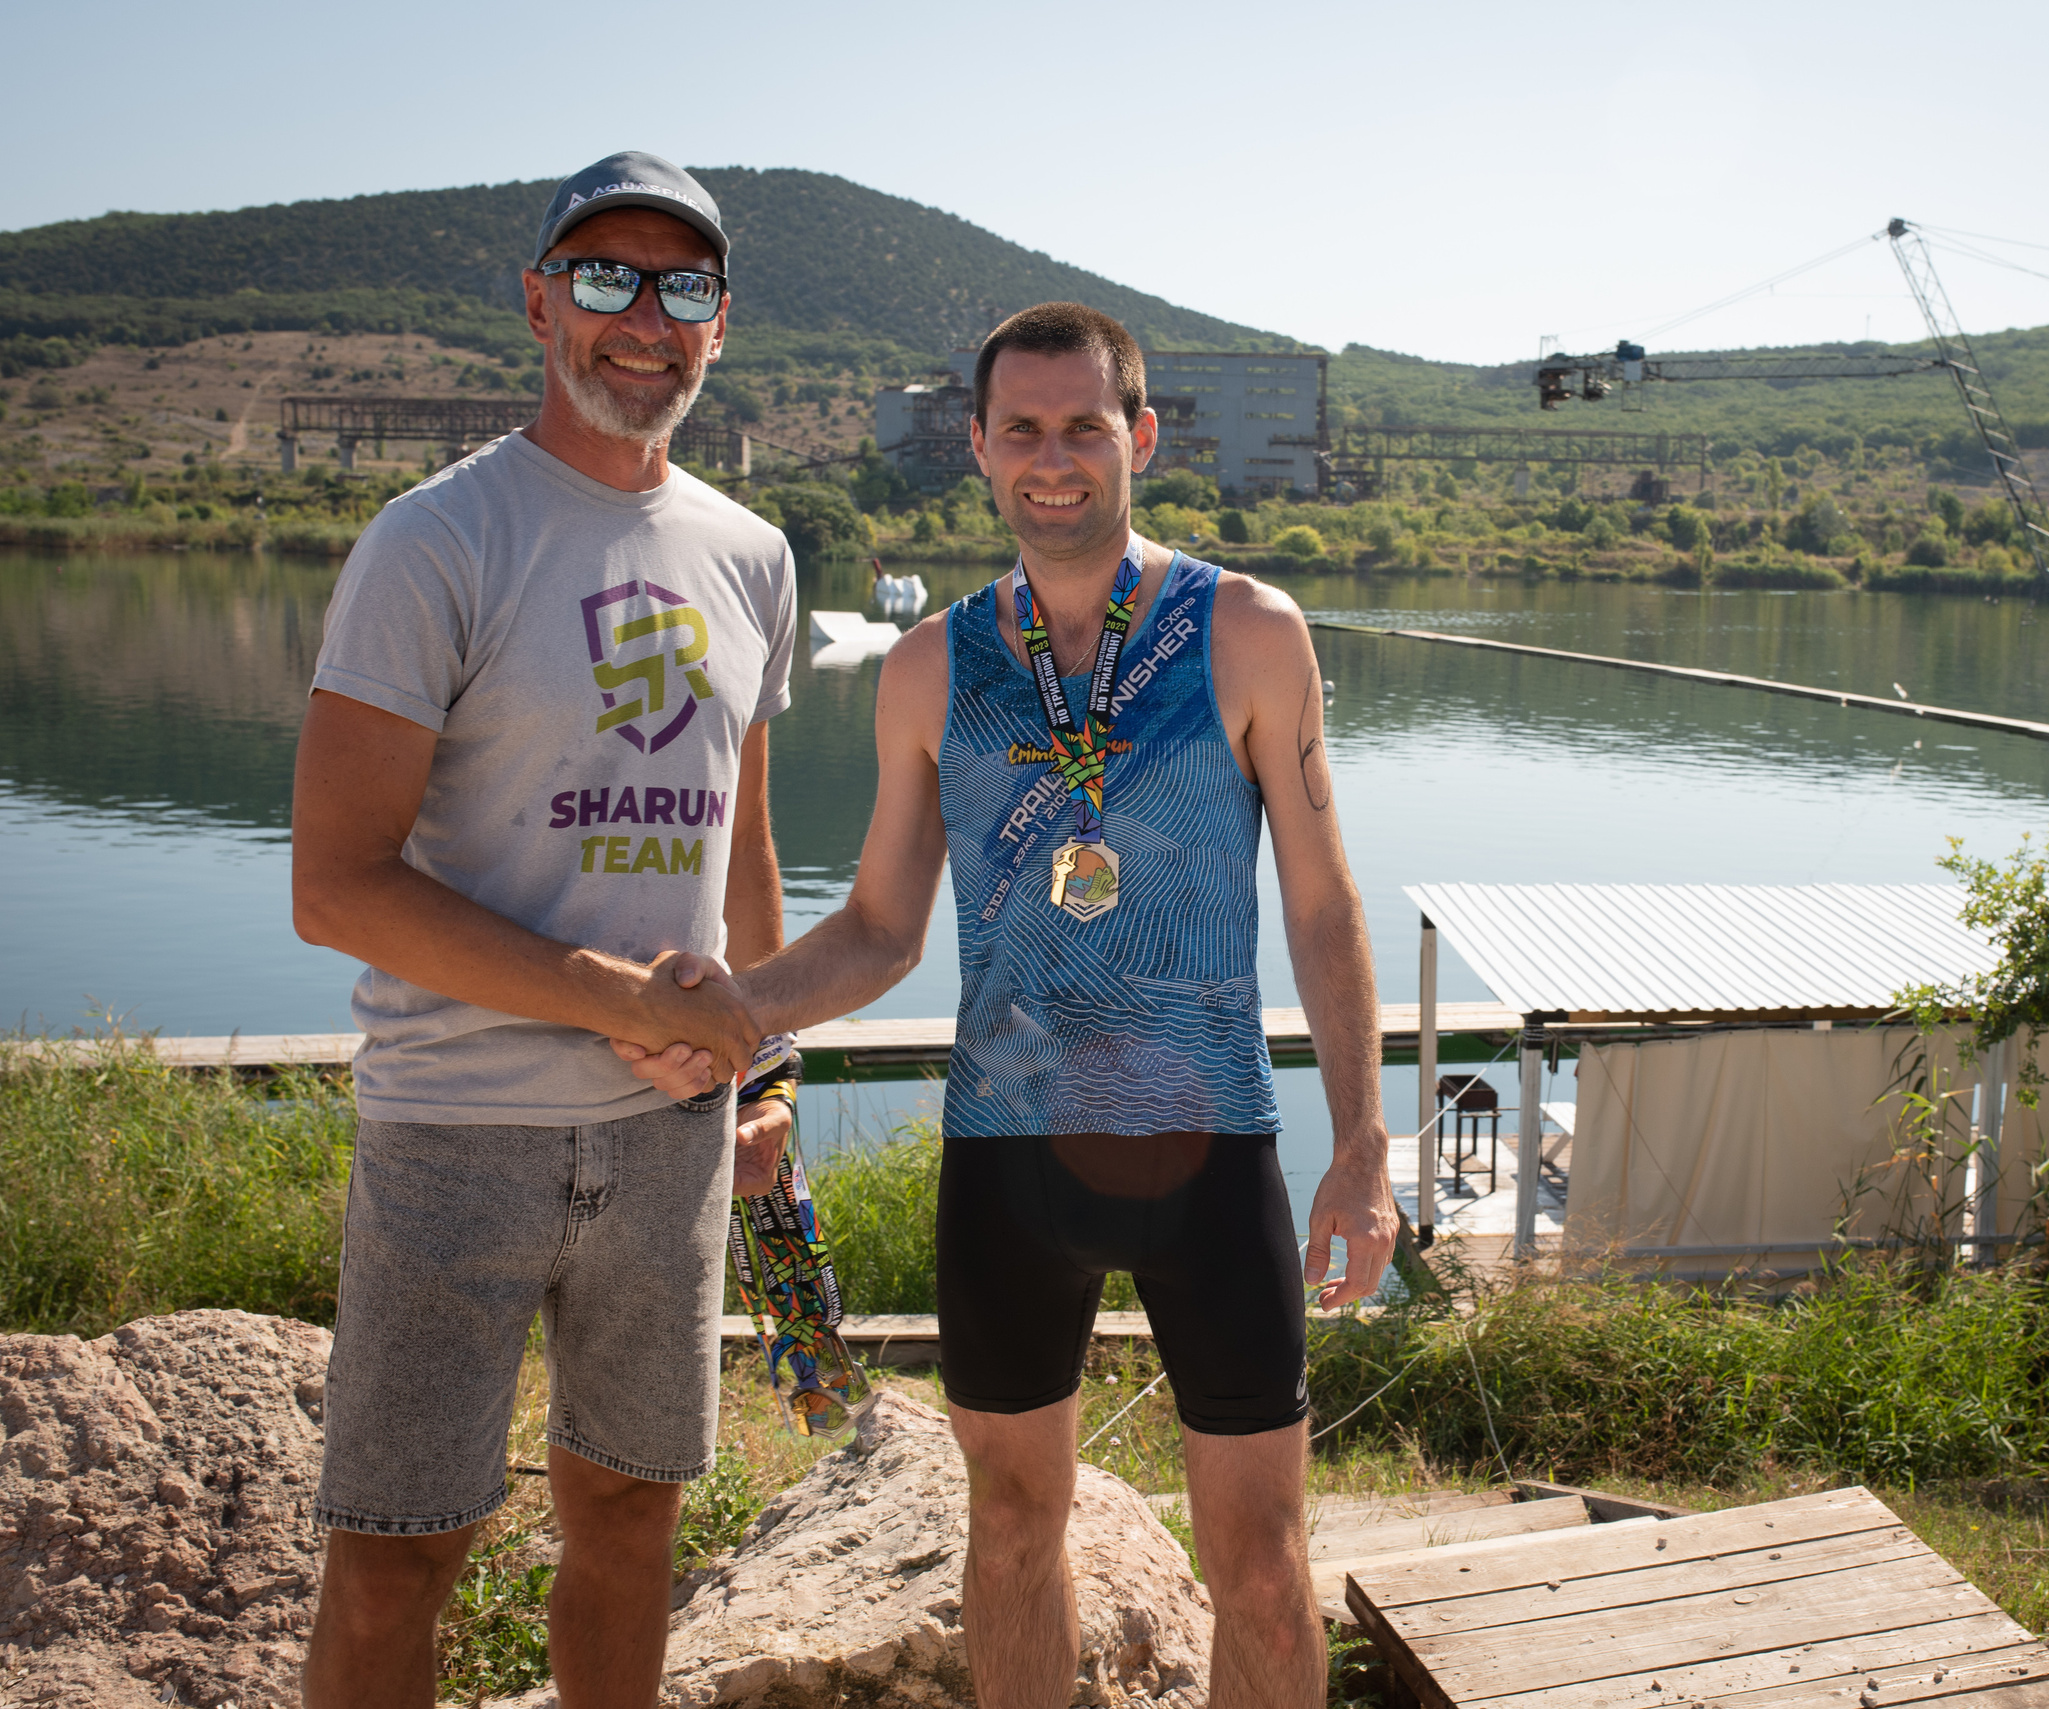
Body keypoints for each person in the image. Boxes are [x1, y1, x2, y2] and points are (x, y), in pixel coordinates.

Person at [625, 301, 1398, 1709]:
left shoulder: (1247, 631)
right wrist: (734, 1008)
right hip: (1009, 1154)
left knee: (1262, 1571)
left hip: (1213, 1145)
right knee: (1011, 1533)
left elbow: (1323, 905)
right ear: (978, 445)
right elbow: (880, 929)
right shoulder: (931, 667)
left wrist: (1362, 1144)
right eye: (1023, 429)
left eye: (1084, 426)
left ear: (1140, 436)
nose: (1054, 459)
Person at [290, 150, 795, 1708]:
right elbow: (336, 883)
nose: (644, 317)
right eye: (605, 277)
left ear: (721, 323)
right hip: (455, 1131)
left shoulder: (754, 555)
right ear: (538, 303)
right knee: (396, 1557)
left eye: (682, 287)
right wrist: (617, 998)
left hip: (669, 1142)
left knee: (632, 1520)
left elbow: (741, 843)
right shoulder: (435, 539)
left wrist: (766, 1068)